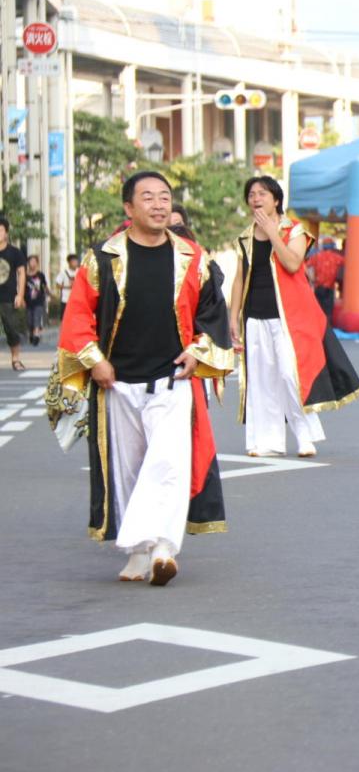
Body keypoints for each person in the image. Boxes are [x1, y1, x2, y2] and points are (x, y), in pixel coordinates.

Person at [54, 171, 234, 586]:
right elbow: (78, 316)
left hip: (172, 380)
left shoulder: (192, 257)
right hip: (116, 383)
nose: (158, 204)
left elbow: (212, 313)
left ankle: (164, 549)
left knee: (168, 462)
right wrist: (95, 360)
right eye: (148, 197)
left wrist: (198, 351)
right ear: (128, 209)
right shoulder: (101, 259)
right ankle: (138, 553)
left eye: (165, 197)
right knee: (129, 469)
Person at [228, 175, 359, 459]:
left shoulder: (295, 230)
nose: (256, 199)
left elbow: (292, 263)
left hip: (289, 317)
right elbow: (239, 279)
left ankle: (305, 436)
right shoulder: (245, 237)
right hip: (254, 316)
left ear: (276, 200)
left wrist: (273, 232)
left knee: (291, 376)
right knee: (262, 380)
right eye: (251, 194)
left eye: (262, 193)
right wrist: (233, 317)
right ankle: (267, 441)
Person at [0, 215, 27, 370]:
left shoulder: (14, 252)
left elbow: (21, 273)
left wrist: (20, 294)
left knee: (11, 329)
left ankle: (15, 359)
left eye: (0, 230)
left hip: (8, 296)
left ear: (6, 233)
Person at [306, 236, 344, 319]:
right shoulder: (336, 257)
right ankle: (327, 329)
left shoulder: (317, 256)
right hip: (330, 287)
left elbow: (306, 266)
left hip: (318, 287)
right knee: (328, 312)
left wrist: (311, 278)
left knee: (318, 310)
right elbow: (349, 263)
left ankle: (317, 328)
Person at [23, 254, 48, 346]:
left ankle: (36, 335)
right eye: (30, 261)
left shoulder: (40, 275)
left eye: (34, 261)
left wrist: (48, 294)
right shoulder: (25, 275)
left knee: (36, 318)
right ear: (28, 263)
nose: (32, 263)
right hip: (28, 301)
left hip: (39, 301)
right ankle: (31, 334)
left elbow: (44, 286)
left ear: (37, 263)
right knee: (29, 320)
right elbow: (22, 288)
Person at [55, 253, 80, 318]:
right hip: (66, 299)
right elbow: (57, 285)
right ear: (69, 262)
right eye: (73, 261)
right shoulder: (63, 273)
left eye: (76, 261)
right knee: (65, 318)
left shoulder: (79, 272)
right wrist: (68, 287)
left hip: (77, 299)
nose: (75, 263)